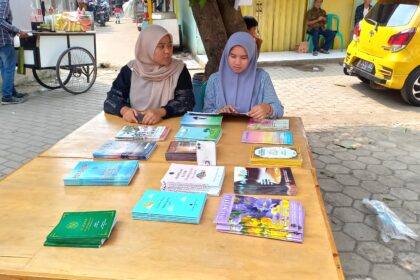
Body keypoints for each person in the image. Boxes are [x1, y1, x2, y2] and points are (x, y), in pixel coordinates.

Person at [104, 25, 194, 124]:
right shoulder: (131, 70)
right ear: (147, 47)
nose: (167, 51)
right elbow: (111, 100)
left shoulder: (179, 69)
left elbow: (186, 101)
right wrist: (124, 110)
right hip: (136, 126)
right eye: (161, 46)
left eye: (170, 45)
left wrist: (161, 112)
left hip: (169, 126)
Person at [203, 32, 283, 119]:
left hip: (252, 131)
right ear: (226, 55)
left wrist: (267, 108)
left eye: (244, 58)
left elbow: (279, 109)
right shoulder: (215, 80)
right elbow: (207, 111)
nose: (237, 62)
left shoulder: (262, 78)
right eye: (233, 56)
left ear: (252, 57)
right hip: (223, 131)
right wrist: (219, 112)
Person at [0, 0, 28, 105]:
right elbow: (1, 21)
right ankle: (7, 97)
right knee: (8, 69)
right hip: (4, 40)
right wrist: (18, 31)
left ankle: (11, 92)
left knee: (4, 69)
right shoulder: (3, 1)